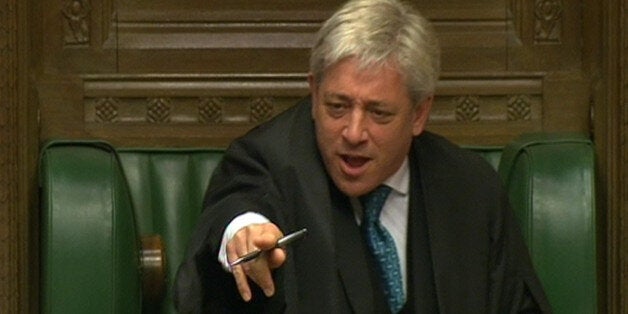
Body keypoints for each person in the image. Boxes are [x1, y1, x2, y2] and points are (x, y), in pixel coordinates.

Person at [174, 0, 551, 312]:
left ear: (419, 113)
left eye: (379, 113)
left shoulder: (470, 188)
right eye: (337, 106)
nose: (353, 133)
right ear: (313, 89)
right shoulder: (266, 161)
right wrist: (241, 236)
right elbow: (237, 207)